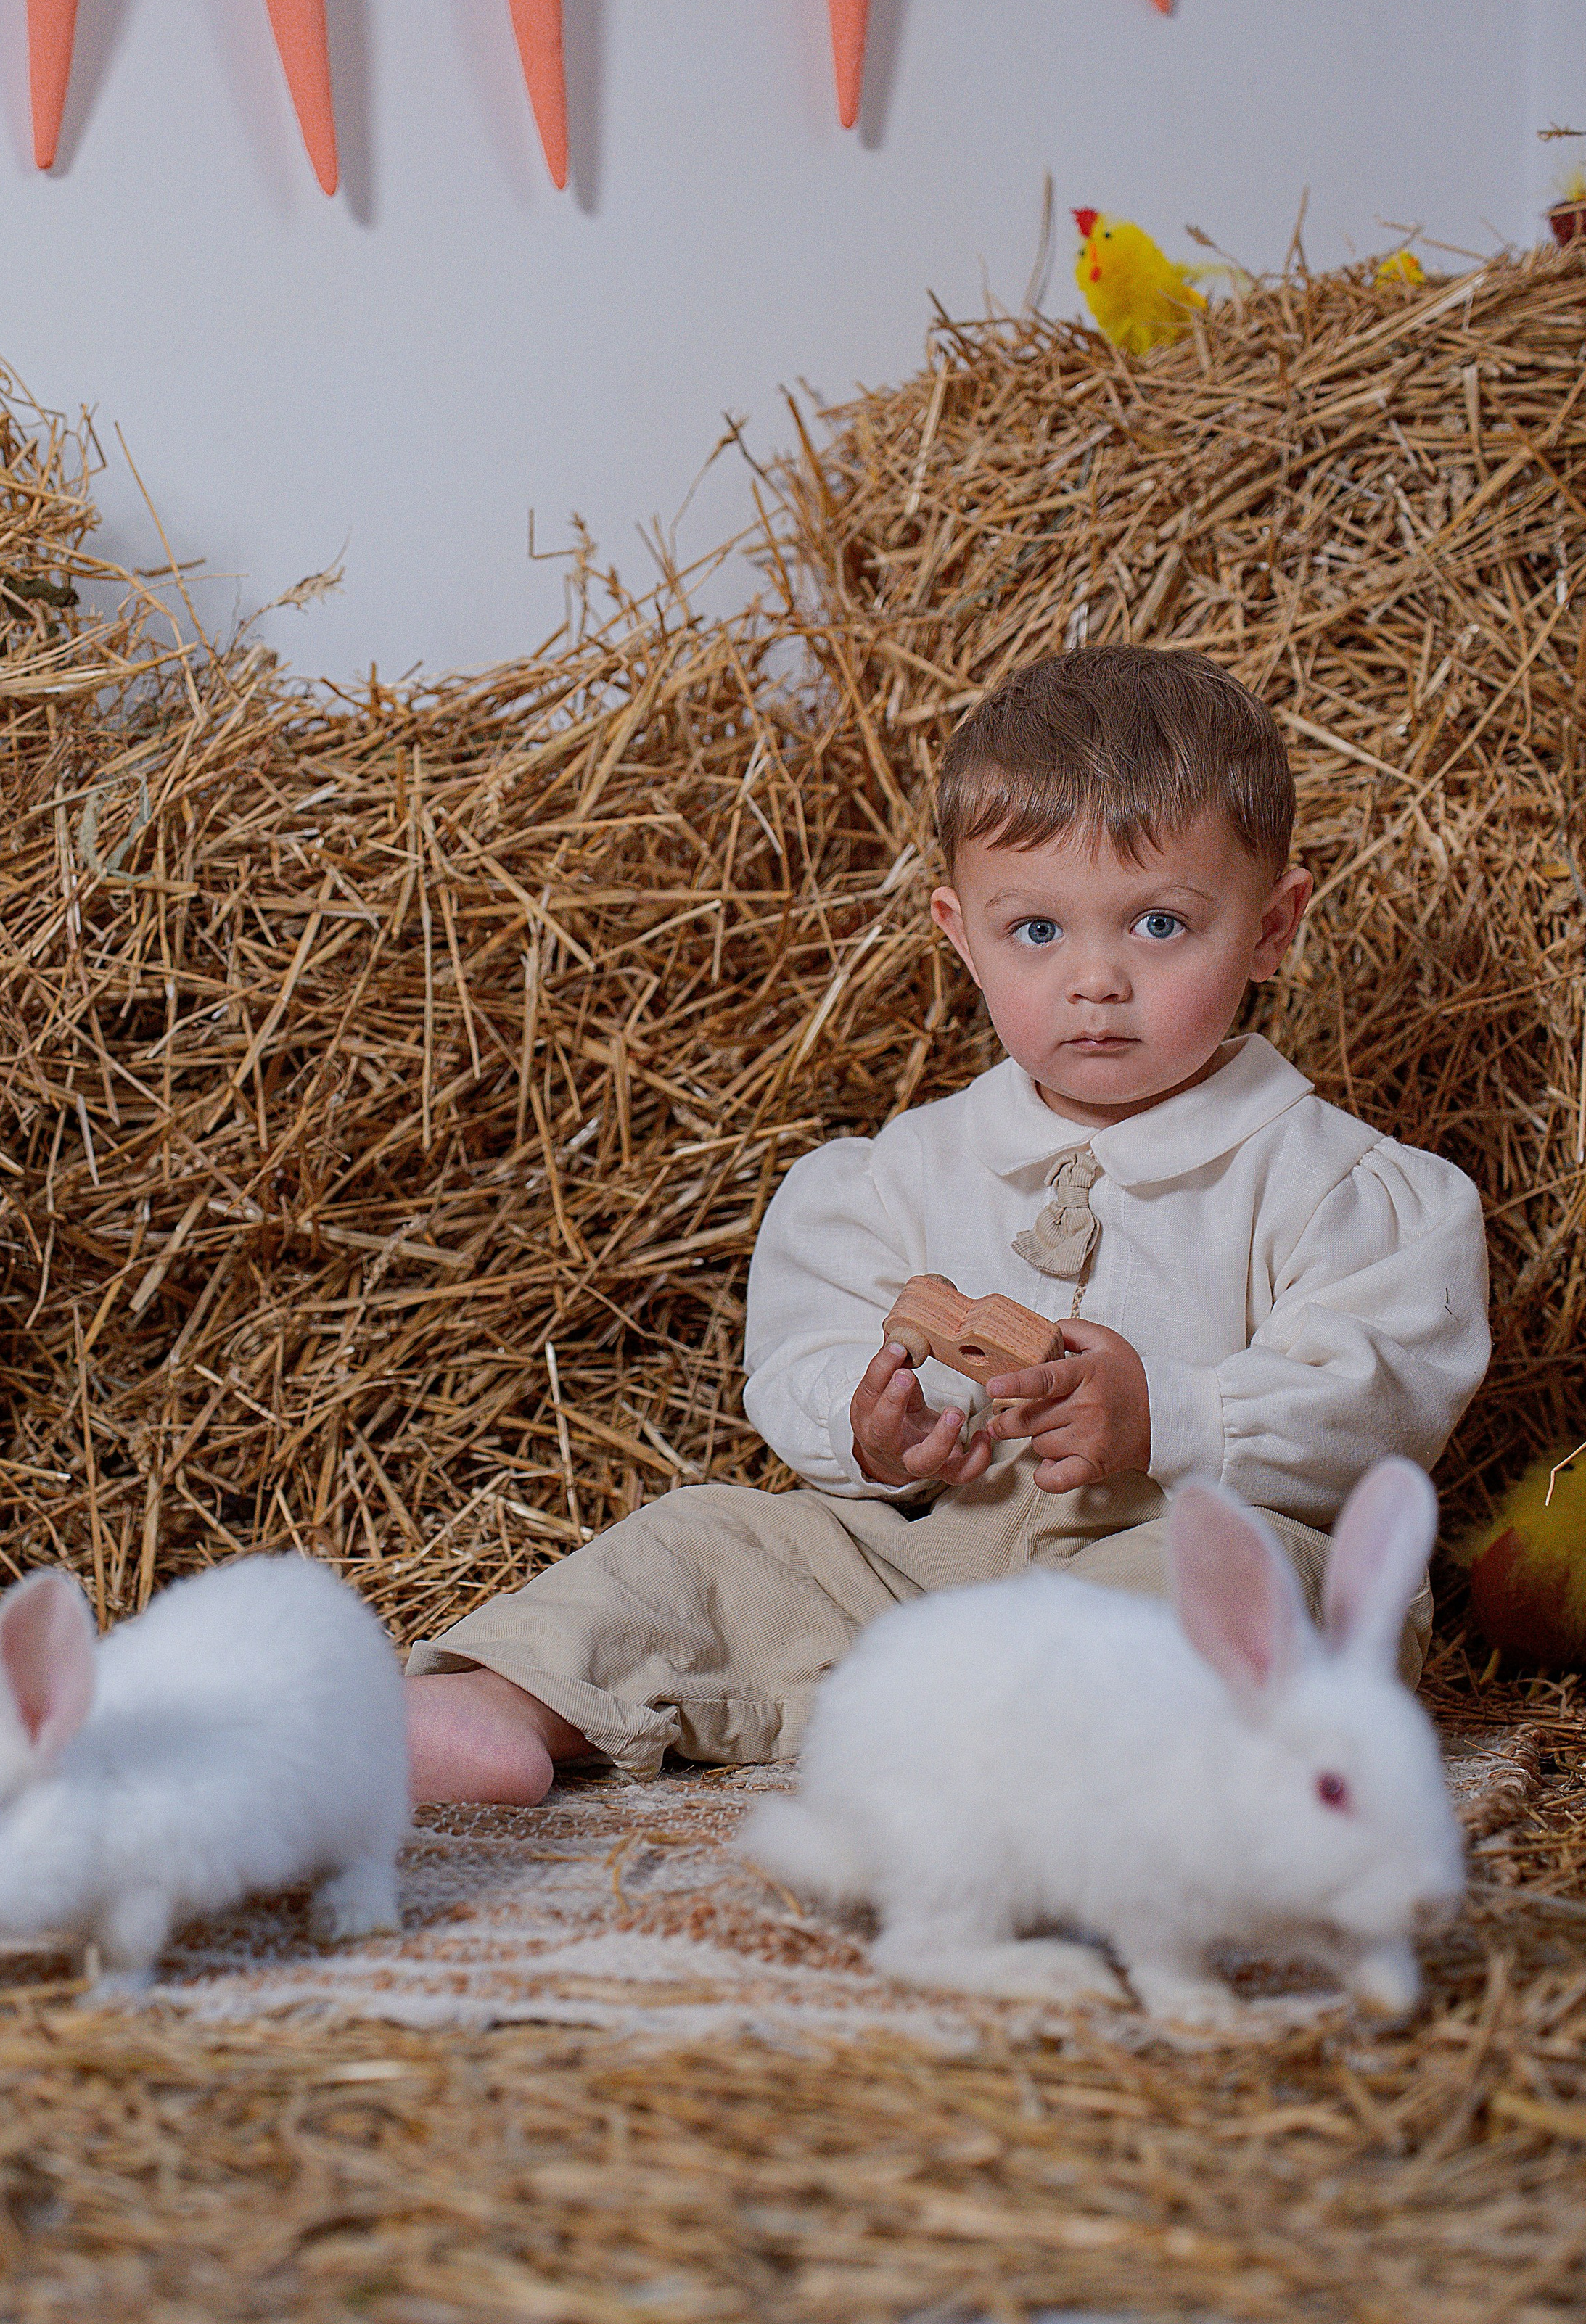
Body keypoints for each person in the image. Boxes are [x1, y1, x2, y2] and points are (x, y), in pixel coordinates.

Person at [404, 644, 1490, 1804]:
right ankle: (513, 1693)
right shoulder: (897, 1175)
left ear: (1272, 930)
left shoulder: (1338, 1184)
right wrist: (874, 1427)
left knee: (1262, 1586)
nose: (1096, 980)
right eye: (1037, 931)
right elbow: (808, 1346)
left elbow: (1382, 1395)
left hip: (1180, 1548)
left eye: (1160, 927)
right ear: (959, 930)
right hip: (926, 1551)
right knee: (714, 1539)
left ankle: (1047, 1752)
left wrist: (1169, 1416)